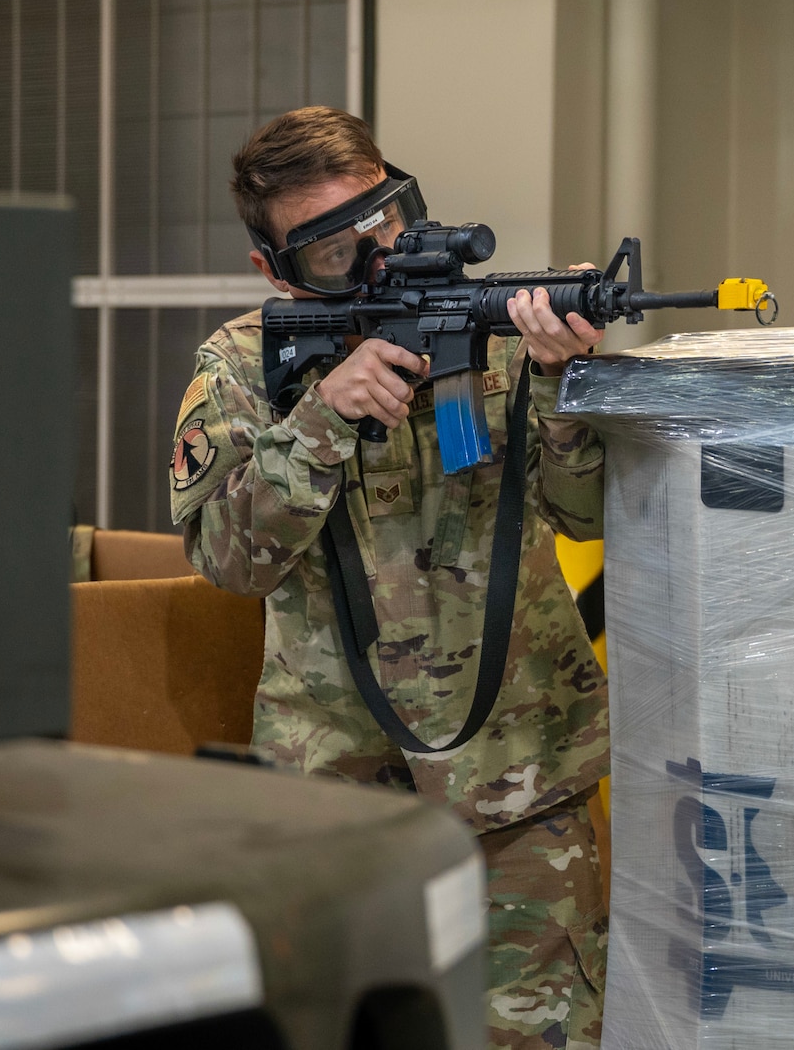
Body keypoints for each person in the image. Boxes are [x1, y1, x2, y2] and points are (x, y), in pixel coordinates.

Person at [168, 106, 610, 1049]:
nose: (375, 254)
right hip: (337, 792)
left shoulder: (498, 329)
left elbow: (594, 513)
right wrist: (323, 418)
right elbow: (227, 562)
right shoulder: (243, 365)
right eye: (334, 250)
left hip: (519, 777)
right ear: (272, 268)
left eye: (385, 218)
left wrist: (569, 388)